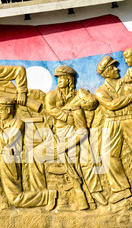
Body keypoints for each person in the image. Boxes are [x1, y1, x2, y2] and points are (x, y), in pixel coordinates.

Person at [36, 65, 107, 210]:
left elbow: (92, 103)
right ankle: (70, 193)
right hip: (61, 132)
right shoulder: (52, 96)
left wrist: (78, 106)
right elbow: (50, 109)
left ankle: (95, 191)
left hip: (78, 131)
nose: (59, 80)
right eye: (58, 78)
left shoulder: (79, 95)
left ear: (69, 80)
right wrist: (67, 117)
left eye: (62, 78)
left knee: (87, 159)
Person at [94, 56, 132, 204]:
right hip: (111, 122)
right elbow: (111, 105)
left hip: (129, 119)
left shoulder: (126, 85)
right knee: (107, 155)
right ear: (105, 73)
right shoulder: (100, 91)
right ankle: (121, 189)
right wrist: (131, 97)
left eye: (115, 66)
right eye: (112, 67)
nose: (117, 69)